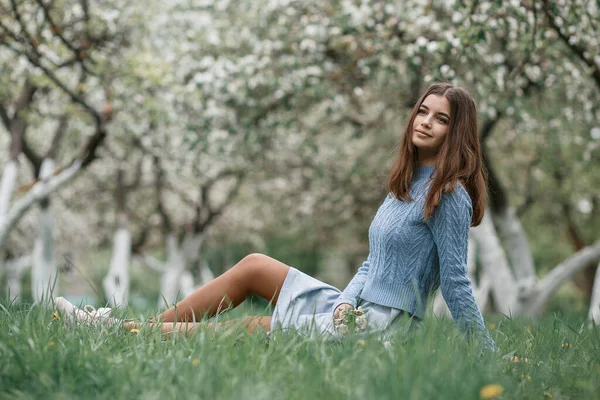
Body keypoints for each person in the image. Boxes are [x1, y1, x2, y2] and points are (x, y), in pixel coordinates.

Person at [54, 82, 497, 350]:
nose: (424, 122)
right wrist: (343, 302)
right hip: (353, 311)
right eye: (422, 111)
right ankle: (133, 327)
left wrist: (487, 354)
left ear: (454, 131)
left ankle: (122, 331)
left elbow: (456, 282)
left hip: (385, 330)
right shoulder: (406, 182)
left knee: (253, 326)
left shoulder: (449, 195)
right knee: (254, 266)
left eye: (440, 119)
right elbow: (371, 263)